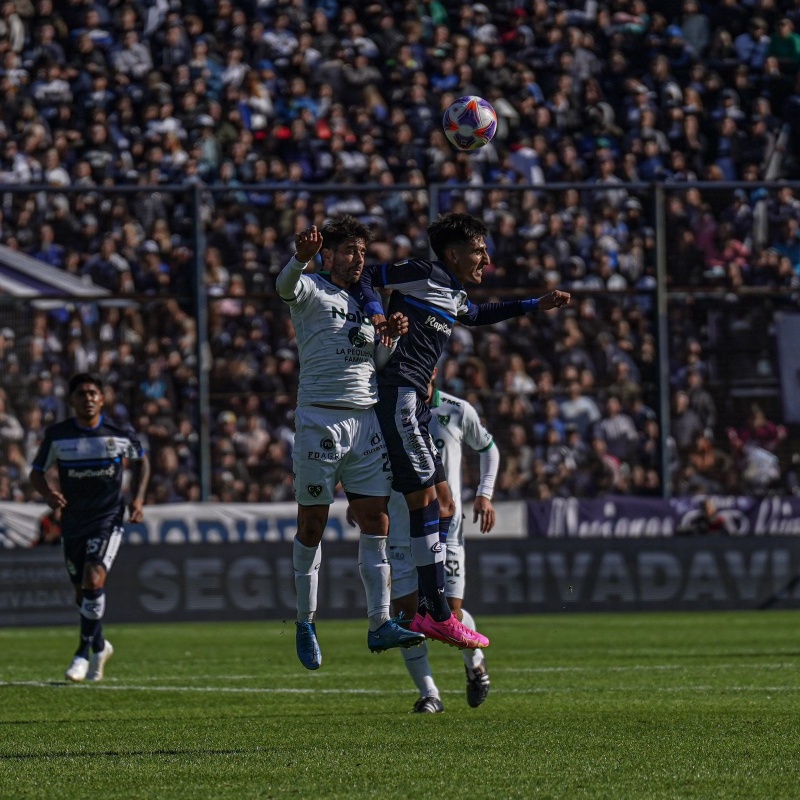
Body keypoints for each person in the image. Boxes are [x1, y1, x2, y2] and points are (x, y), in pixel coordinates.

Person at [359, 212, 570, 649]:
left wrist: (536, 304)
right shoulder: (421, 273)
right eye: (478, 251)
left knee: (444, 503)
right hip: (399, 394)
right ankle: (435, 614)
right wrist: (378, 315)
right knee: (426, 502)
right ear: (453, 254)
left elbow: (476, 314)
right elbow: (366, 275)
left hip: (415, 402)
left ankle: (429, 609)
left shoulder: (454, 294)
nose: (486, 260)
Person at [277, 218, 425, 671]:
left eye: (362, 252)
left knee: (376, 520)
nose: (358, 259)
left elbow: (373, 361)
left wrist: (391, 338)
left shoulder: (367, 303)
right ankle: (306, 621)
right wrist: (300, 258)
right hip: (320, 418)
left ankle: (379, 622)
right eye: (349, 251)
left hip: (365, 419)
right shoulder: (311, 289)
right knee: (312, 525)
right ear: (328, 255)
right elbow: (284, 287)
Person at [387, 370, 500, 713]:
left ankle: (474, 664)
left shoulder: (457, 410)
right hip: (401, 528)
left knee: (448, 612)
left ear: (433, 370)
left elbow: (489, 448)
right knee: (405, 616)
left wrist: (484, 493)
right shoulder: (388, 407)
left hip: (445, 529)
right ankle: (429, 694)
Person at [29, 373, 150, 683]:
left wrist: (138, 499)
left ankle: (82, 653)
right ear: (71, 400)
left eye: (93, 393)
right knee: (82, 593)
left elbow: (142, 461)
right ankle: (100, 645)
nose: (88, 398)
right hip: (73, 521)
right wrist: (49, 494)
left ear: (102, 398)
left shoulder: (119, 433)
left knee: (93, 577)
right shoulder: (58, 435)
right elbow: (36, 472)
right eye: (81, 393)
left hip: (107, 518)